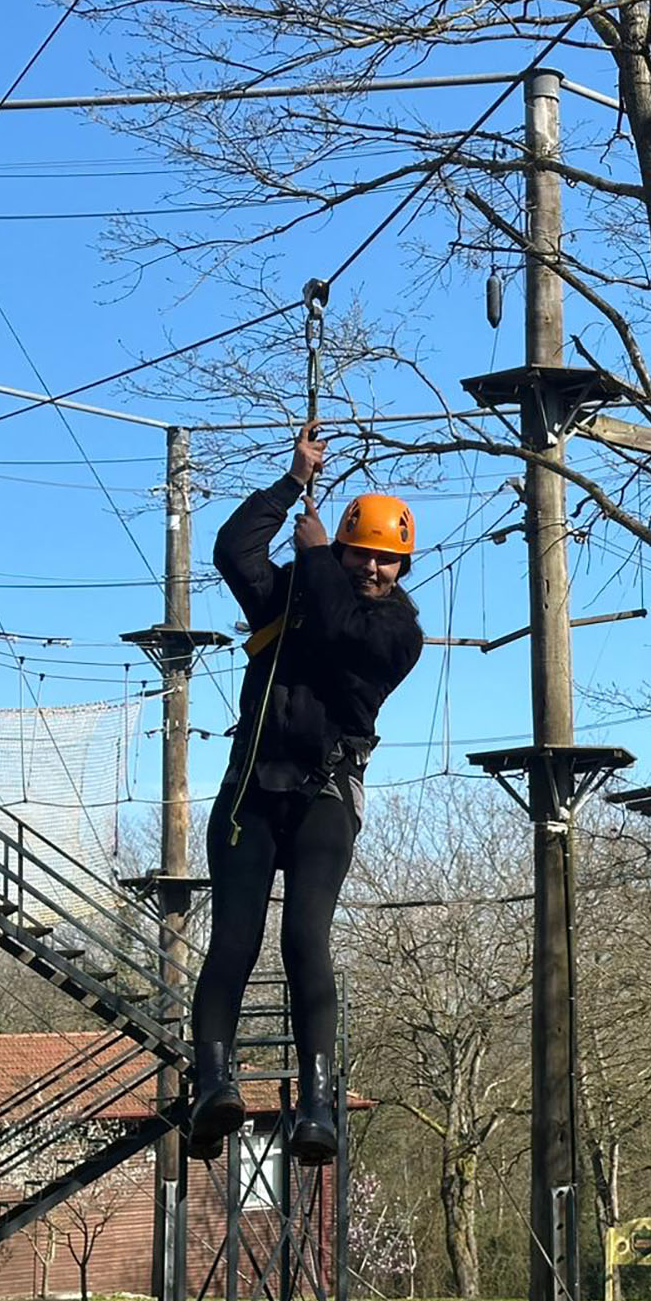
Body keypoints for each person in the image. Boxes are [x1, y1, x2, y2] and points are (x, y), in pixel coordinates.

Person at [188, 423, 423, 1164]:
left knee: (303, 941)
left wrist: (319, 551)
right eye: (364, 554)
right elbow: (233, 552)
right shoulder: (296, 591)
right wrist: (291, 482)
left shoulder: (396, 633)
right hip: (250, 793)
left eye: (387, 561)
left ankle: (317, 1105)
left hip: (324, 795)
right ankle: (213, 1083)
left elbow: (342, 628)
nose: (374, 570)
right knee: (233, 941)